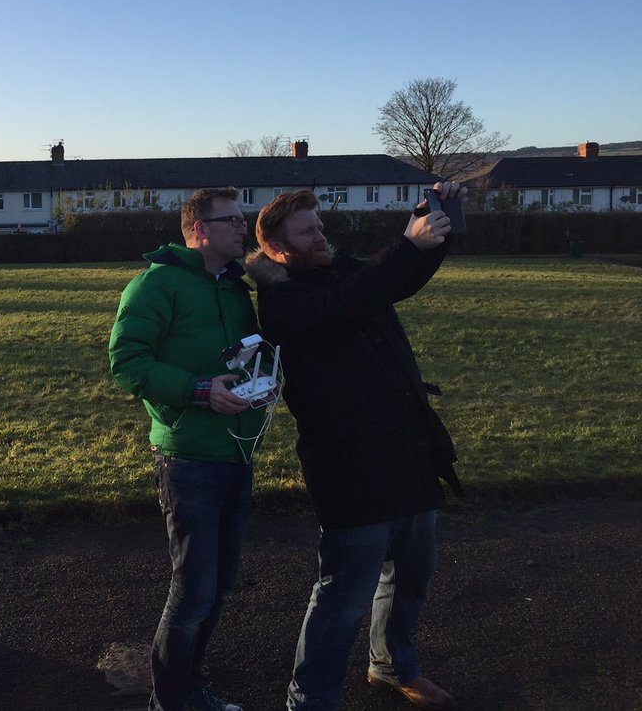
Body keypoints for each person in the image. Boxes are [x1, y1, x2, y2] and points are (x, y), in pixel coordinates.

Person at [244, 184, 466, 711]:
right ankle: (311, 698)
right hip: (350, 466)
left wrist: (432, 218)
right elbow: (352, 301)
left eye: (320, 226)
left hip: (408, 452)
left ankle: (392, 667)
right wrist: (406, 245)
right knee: (343, 596)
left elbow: (396, 279)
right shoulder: (283, 301)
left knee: (411, 577)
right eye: (306, 230)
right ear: (277, 247)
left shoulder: (342, 272)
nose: (320, 235)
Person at [109, 187, 265, 711]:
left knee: (219, 588)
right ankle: (170, 702)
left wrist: (263, 381)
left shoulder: (235, 288)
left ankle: (189, 689)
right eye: (232, 221)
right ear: (199, 230)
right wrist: (200, 390)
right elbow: (127, 361)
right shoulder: (155, 285)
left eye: (244, 219)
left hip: (236, 452)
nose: (243, 228)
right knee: (195, 590)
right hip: (188, 457)